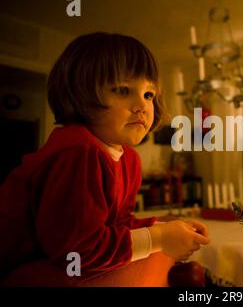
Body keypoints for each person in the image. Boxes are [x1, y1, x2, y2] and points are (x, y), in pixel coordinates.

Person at [0, 32, 210, 287]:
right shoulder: (78, 151)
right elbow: (76, 252)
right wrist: (159, 238)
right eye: (123, 90)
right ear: (80, 93)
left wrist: (164, 226)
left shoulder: (129, 159)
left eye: (148, 95)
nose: (141, 106)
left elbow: (115, 226)